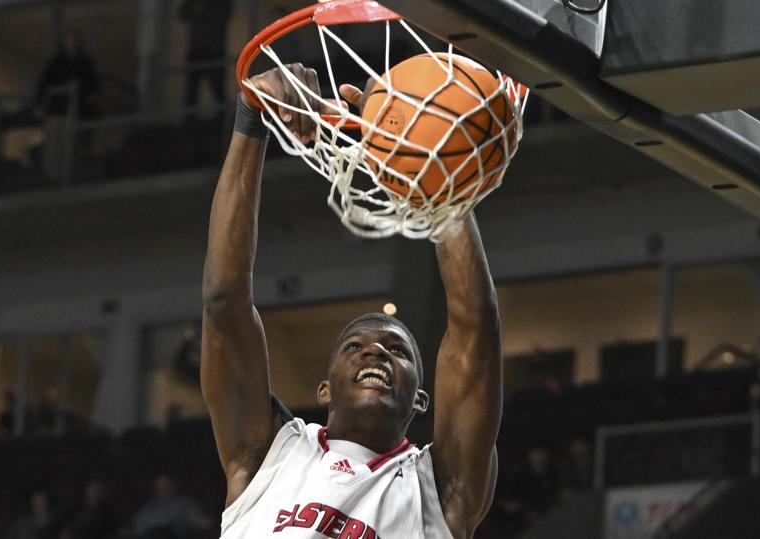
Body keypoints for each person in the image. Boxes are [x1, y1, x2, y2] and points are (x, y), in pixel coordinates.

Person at [202, 66, 505, 538]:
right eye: (354, 347)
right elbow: (225, 303)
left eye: (397, 350)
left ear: (421, 399)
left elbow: (475, 328)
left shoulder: (443, 489)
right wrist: (251, 118)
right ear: (323, 389)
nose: (375, 351)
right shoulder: (268, 455)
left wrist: (434, 171)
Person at [34, 30, 100, 182]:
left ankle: (67, 175)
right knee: (54, 142)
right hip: (57, 110)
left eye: (73, 40)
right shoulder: (55, 63)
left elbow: (93, 86)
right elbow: (43, 85)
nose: (70, 43)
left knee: (71, 143)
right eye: (68, 40)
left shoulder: (85, 62)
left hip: (76, 110)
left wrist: (87, 95)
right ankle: (52, 175)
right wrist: (39, 107)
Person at [178, 0, 232, 111]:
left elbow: (226, 12)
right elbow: (182, 14)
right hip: (198, 50)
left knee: (217, 91)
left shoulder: (220, 4)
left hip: (213, 50)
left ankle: (222, 123)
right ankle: (190, 124)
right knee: (191, 94)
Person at [130, 475, 211, 539]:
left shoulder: (184, 504)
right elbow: (136, 530)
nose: (163, 490)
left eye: (166, 486)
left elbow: (200, 522)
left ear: (172, 486)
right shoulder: (146, 511)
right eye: (159, 487)